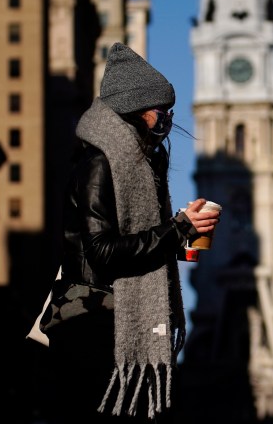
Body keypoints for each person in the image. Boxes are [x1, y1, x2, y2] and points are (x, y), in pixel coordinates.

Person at [47, 42, 220, 422]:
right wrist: (175, 231)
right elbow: (101, 251)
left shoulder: (135, 164)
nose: (167, 119)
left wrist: (178, 235)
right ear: (136, 109)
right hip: (95, 326)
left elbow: (127, 240)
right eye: (161, 111)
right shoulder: (99, 163)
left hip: (110, 324)